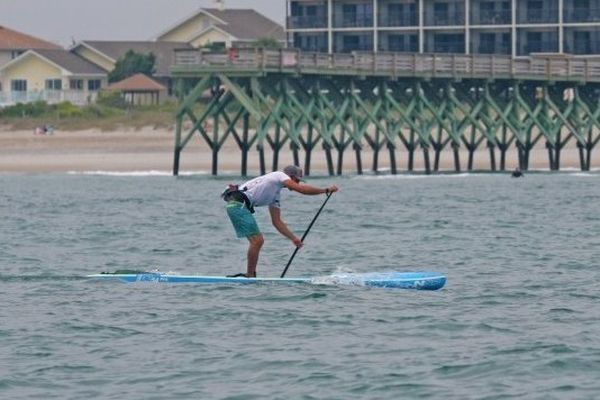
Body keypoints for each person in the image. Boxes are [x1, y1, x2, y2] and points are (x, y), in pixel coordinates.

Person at [222, 165, 338, 278]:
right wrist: (325, 190)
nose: (297, 183)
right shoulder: (279, 175)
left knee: (257, 241)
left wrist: (293, 238)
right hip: (238, 205)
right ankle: (250, 275)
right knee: (257, 241)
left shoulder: (275, 195)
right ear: (290, 176)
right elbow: (302, 190)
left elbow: (276, 221)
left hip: (238, 206)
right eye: (297, 180)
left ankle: (251, 275)